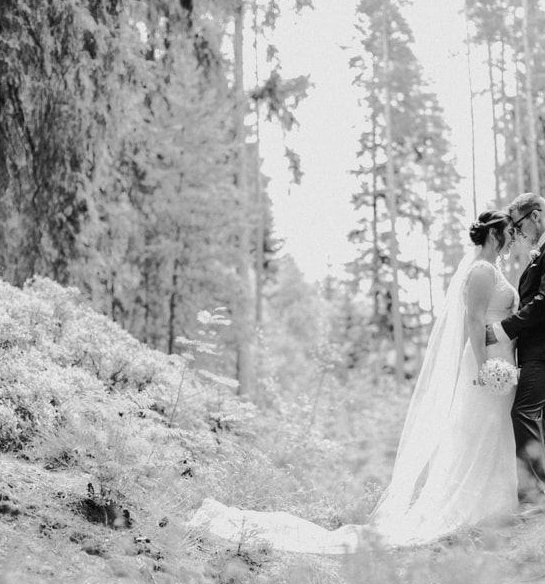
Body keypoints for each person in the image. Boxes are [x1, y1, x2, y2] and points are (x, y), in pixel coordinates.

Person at [189, 210, 520, 553]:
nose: (513, 238)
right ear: (495, 235)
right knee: (484, 426)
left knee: (490, 428)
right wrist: (484, 368)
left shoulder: (492, 270)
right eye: (509, 232)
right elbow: (473, 322)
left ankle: (495, 503)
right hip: (487, 365)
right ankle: (479, 508)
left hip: (499, 359)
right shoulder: (481, 271)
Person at [485, 193, 545, 510]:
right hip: (544, 350)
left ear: (536, 215)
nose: (519, 232)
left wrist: (502, 329)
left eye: (519, 223)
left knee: (523, 413)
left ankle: (534, 498)